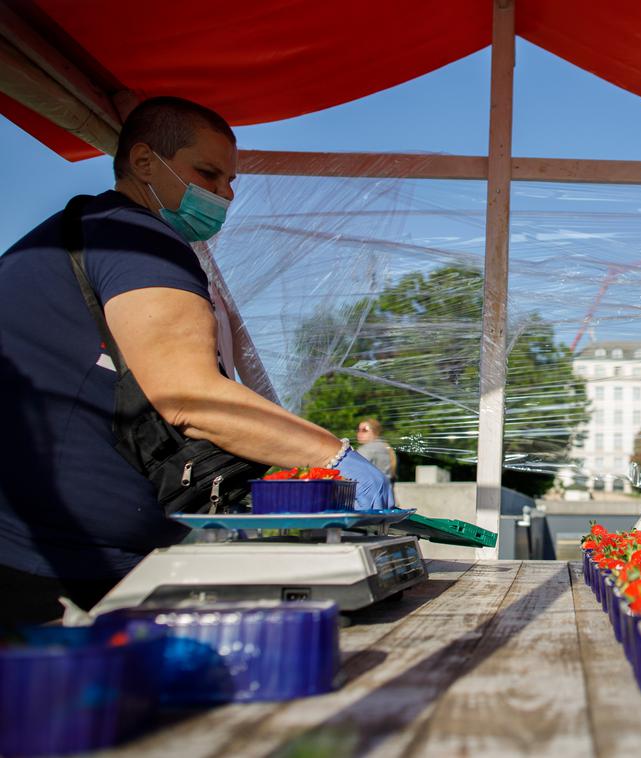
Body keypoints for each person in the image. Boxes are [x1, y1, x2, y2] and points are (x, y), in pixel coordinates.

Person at [0, 96, 393, 626]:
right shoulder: (133, 237)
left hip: (63, 554)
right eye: (208, 174)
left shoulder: (87, 231)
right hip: (44, 570)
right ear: (143, 163)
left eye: (231, 181)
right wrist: (335, 456)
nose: (225, 195)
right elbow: (190, 397)